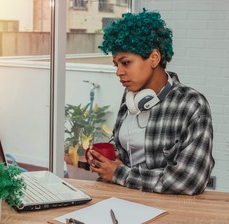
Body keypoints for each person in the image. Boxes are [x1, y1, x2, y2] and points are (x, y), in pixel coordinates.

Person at [87, 9, 215, 195]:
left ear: (154, 58)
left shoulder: (191, 105)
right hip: (117, 198)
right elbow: (125, 144)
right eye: (116, 65)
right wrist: (106, 156)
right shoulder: (131, 96)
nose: (118, 72)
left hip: (162, 208)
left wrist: (119, 173)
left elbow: (190, 179)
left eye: (126, 63)